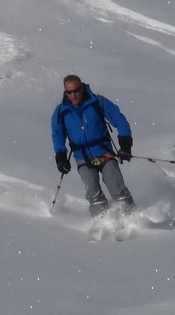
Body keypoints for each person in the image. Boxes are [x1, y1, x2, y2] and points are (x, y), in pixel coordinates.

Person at [51, 74, 135, 216]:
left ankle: (132, 218)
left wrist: (125, 144)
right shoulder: (61, 111)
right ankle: (102, 222)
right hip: (82, 156)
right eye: (69, 92)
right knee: (93, 192)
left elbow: (119, 119)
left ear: (82, 88)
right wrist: (61, 157)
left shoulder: (97, 102)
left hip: (104, 152)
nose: (74, 95)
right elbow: (57, 135)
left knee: (116, 187)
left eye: (76, 91)